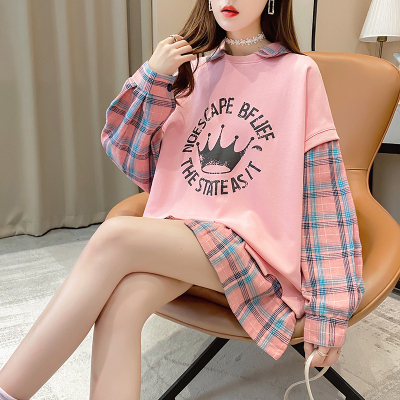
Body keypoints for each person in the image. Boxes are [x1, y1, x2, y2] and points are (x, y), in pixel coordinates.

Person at [0, 1, 365, 399]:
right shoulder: (193, 72)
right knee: (123, 304)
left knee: (114, 235)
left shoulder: (298, 73)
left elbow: (323, 195)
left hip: (250, 250)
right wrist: (153, 76)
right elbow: (130, 153)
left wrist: (330, 311)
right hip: (183, 233)